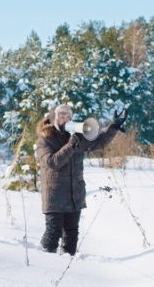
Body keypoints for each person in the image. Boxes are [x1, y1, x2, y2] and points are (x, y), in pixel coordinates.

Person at [36, 104, 127, 255]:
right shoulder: (45, 139)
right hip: (55, 195)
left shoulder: (76, 136)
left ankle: (68, 263)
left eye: (68, 116)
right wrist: (71, 145)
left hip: (74, 193)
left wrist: (114, 126)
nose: (66, 119)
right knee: (53, 232)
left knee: (72, 233)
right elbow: (52, 163)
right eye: (62, 116)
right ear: (54, 119)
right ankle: (43, 260)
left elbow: (100, 142)